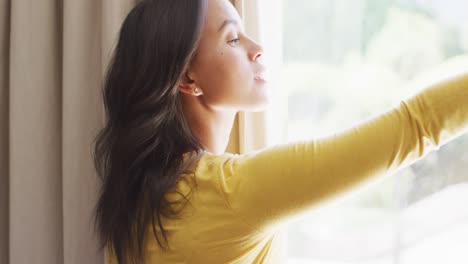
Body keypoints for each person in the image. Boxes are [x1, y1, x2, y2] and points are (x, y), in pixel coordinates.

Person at [92, 0, 468, 263]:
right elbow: (416, 125)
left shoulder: (136, 204)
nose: (257, 49)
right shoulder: (229, 193)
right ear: (188, 78)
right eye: (233, 39)